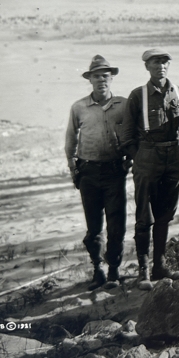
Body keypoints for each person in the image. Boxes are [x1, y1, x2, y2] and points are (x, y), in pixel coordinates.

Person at [120, 48, 179, 290]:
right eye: (155, 62)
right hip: (148, 157)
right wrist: (140, 158)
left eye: (164, 62)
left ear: (168, 65)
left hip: (174, 158)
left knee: (165, 214)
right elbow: (127, 135)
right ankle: (143, 271)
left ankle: (159, 266)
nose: (160, 66)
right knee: (144, 217)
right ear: (147, 67)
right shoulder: (137, 95)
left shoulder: (178, 92)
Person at [64, 55, 130, 289]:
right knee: (94, 227)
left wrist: (129, 160)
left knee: (116, 224)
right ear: (89, 80)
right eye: (96, 76)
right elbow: (71, 141)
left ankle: (113, 270)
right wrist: (73, 168)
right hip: (88, 172)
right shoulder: (79, 107)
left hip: (115, 171)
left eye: (105, 75)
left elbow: (133, 135)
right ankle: (97, 269)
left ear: (111, 78)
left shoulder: (123, 105)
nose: (101, 80)